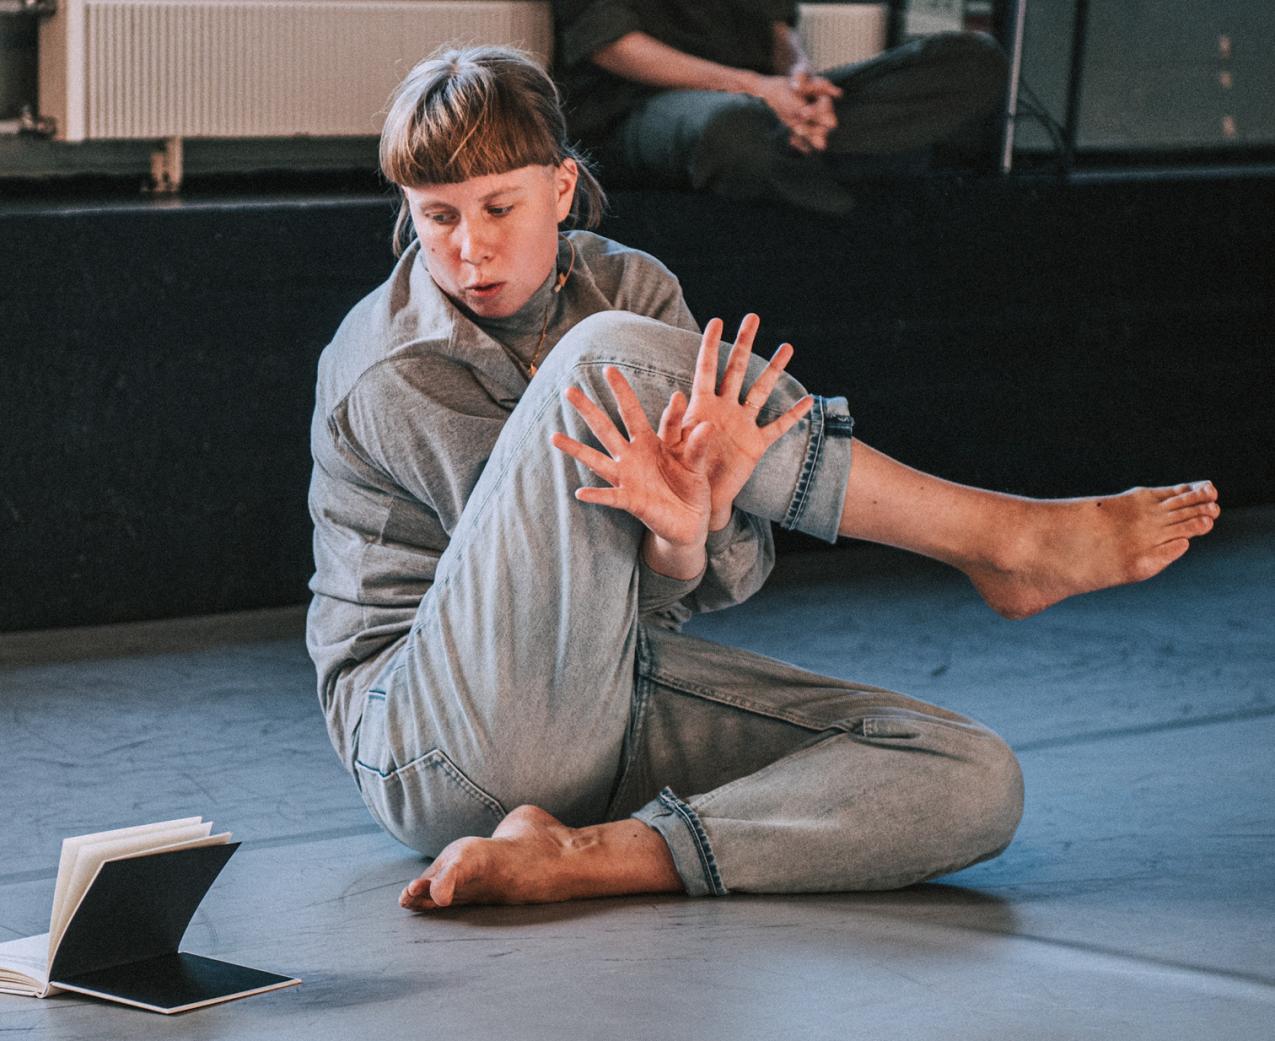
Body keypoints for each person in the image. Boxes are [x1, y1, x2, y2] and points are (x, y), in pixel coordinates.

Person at [306, 46, 1219, 910]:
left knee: (969, 773)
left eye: (499, 208)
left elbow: (706, 587)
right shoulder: (397, 364)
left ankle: (593, 855)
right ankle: (1006, 538)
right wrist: (679, 535)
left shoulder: (633, 289)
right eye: (438, 216)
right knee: (596, 361)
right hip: (433, 743)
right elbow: (554, 606)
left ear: (561, 187)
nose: (469, 248)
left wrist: (683, 531)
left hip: (601, 699)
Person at [552, 0, 1008, 214]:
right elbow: (613, 47)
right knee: (734, 132)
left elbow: (780, 33)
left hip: (764, 100)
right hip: (640, 105)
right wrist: (754, 88)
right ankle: (845, 168)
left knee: (973, 60)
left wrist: (800, 85)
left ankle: (799, 149)